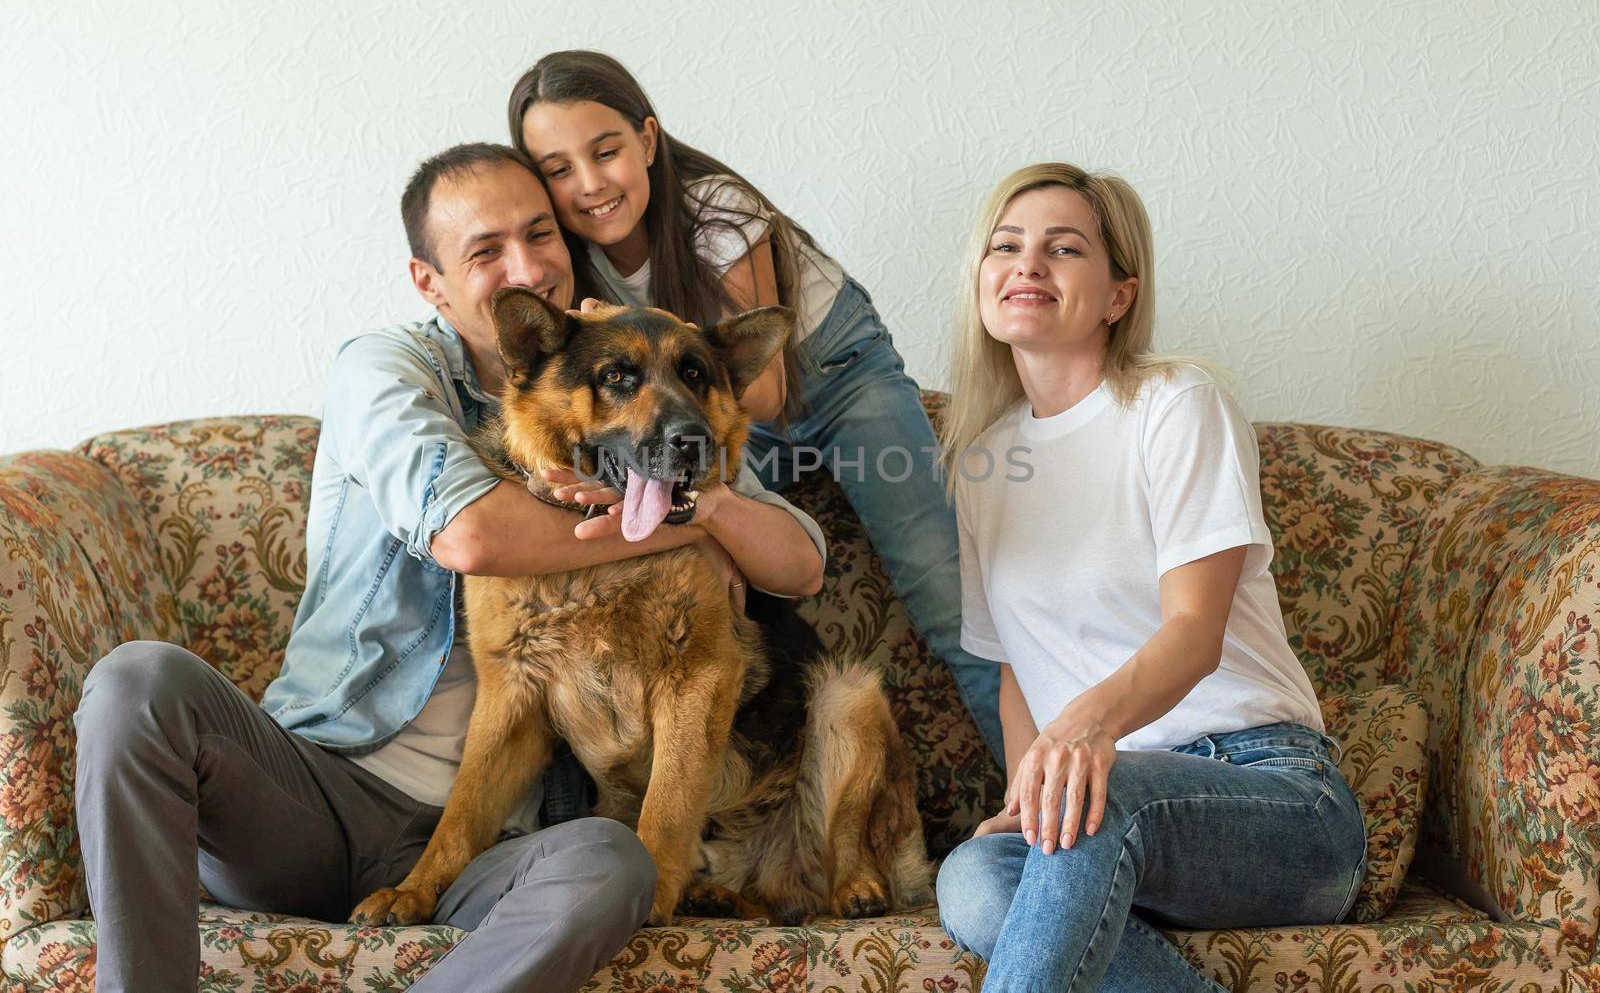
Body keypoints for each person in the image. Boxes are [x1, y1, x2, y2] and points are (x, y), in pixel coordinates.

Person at [73, 143, 826, 993]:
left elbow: (797, 557)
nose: (528, 266)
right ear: (428, 280)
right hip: (318, 786)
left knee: (618, 863)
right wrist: (682, 524)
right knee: (137, 681)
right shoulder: (385, 369)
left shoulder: (631, 369)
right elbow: (471, 534)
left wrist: (706, 503)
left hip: (496, 840)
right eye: (486, 250)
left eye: (542, 235)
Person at [932, 163, 1367, 991]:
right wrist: (1032, 792)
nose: (1027, 265)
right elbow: (1016, 670)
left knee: (1098, 804)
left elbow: (1194, 633)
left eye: (1063, 249)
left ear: (1118, 295)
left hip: (1272, 795)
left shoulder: (1176, 405)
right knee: (976, 879)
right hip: (1106, 808)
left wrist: (1089, 731)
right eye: (1006, 245)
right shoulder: (984, 462)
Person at [505, 50, 1003, 763]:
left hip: (833, 375)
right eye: (557, 169)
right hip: (704, 412)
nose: (588, 184)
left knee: (945, 590)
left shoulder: (717, 210)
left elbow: (763, 395)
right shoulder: (570, 262)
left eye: (606, 151)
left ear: (647, 140)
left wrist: (621, 320)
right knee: (710, 529)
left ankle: (1038, 804)